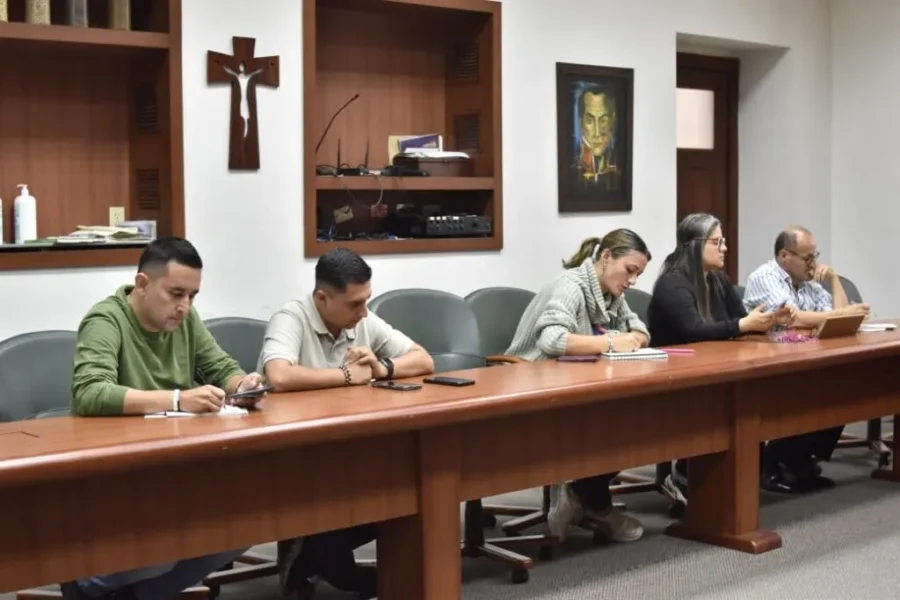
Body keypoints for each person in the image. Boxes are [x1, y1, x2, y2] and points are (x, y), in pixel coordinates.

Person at [66, 237, 265, 600]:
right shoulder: (106, 319)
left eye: (192, 296)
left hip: (175, 463)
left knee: (240, 529)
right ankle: (85, 585)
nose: (185, 306)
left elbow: (220, 367)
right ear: (142, 284)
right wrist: (177, 398)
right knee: (165, 546)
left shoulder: (186, 319)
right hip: (119, 470)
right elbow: (90, 392)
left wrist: (244, 384)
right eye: (176, 293)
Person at [259, 247, 434, 598]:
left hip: (354, 443)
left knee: (409, 484)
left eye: (366, 300)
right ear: (322, 298)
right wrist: (346, 375)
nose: (364, 310)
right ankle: (323, 558)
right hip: (299, 451)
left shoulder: (362, 319)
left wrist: (383, 368)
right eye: (355, 303)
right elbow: (278, 375)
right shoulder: (291, 317)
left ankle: (312, 554)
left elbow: (424, 359)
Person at [504, 229, 651, 543]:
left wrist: (633, 337)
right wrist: (612, 340)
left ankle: (581, 495)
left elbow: (638, 327)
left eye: (638, 274)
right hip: (529, 382)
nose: (633, 281)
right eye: (630, 271)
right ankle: (593, 502)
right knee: (613, 424)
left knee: (639, 423)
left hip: (574, 379)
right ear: (606, 256)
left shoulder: (611, 293)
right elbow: (552, 339)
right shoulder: (571, 286)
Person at [646, 213, 792, 510]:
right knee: (731, 409)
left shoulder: (718, 280)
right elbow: (693, 331)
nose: (724, 247)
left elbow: (739, 320)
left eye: (723, 241)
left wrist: (766, 322)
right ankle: (692, 478)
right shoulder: (672, 283)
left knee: (750, 404)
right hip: (675, 380)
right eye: (717, 242)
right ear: (694, 245)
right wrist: (744, 325)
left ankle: (733, 482)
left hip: (716, 372)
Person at [741, 225, 869, 492]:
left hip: (804, 361)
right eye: (807, 257)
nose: (814, 264)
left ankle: (799, 461)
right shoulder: (765, 276)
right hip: (767, 365)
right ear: (785, 256)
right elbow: (792, 318)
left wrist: (832, 279)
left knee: (846, 387)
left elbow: (841, 314)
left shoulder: (808, 283)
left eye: (815, 256)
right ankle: (776, 462)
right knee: (814, 392)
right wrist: (842, 315)